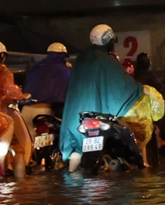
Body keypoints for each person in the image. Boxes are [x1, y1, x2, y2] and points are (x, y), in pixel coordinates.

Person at [60, 24, 145, 170]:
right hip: (97, 115)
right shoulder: (106, 59)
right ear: (108, 41)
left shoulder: (81, 58)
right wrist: (139, 88)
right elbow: (122, 84)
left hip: (76, 118)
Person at [0, 39, 34, 177]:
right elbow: (10, 90)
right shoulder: (2, 71)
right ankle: (18, 180)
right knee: (18, 148)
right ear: (2, 55)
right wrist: (22, 95)